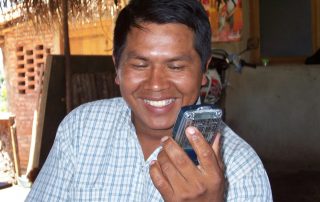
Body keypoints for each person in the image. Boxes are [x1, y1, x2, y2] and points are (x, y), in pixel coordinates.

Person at [26, 0, 272, 201]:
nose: (156, 85)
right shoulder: (80, 129)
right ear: (117, 67)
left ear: (203, 71)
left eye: (176, 66)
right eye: (140, 65)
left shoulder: (241, 170)